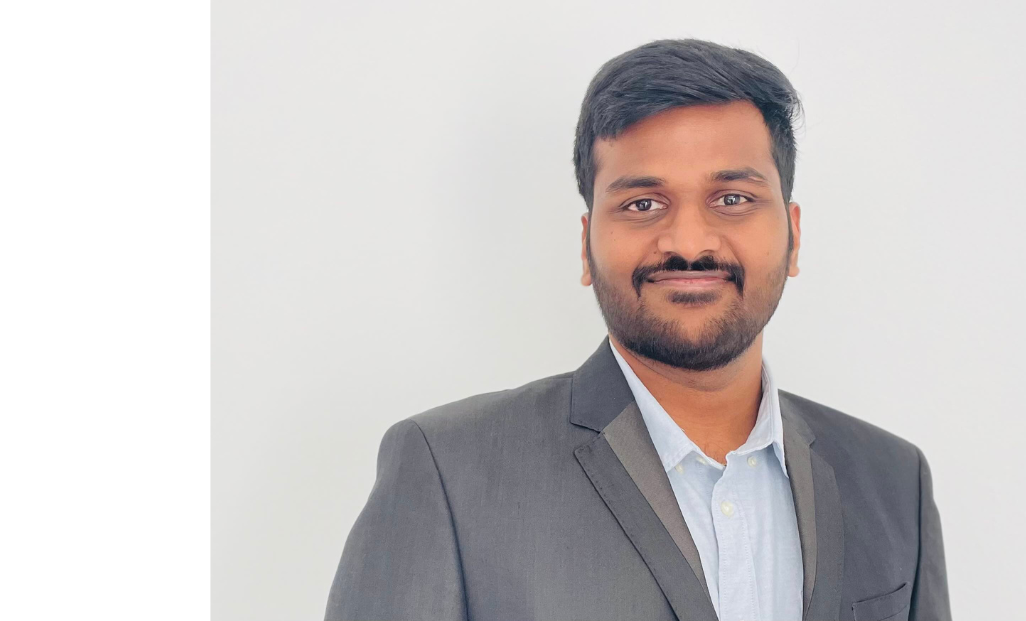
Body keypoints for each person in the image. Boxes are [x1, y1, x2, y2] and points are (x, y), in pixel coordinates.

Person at [325, 38, 952, 621]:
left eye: (732, 199)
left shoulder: (893, 481)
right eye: (643, 204)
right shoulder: (448, 473)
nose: (689, 243)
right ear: (586, 245)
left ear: (793, 235)